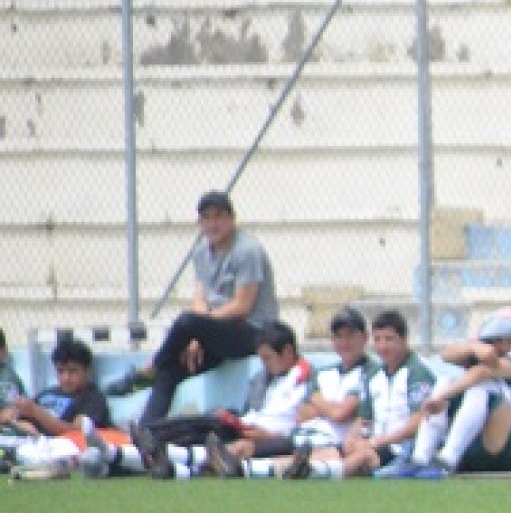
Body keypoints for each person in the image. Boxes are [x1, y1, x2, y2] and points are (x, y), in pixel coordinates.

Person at [112, 190, 280, 427]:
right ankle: (148, 430)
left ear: (232, 218)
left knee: (186, 321)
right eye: (207, 218)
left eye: (219, 216)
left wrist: (198, 329)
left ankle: (149, 368)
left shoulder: (247, 250)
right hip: (216, 331)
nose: (213, 224)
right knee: (170, 370)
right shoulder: (201, 250)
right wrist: (196, 336)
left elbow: (242, 306)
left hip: (251, 331)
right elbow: (199, 298)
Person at [377, 308, 511, 479]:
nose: (503, 346)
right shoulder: (487, 354)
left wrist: (439, 398)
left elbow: (482, 372)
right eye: (498, 340)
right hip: (492, 445)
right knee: (446, 381)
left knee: (477, 390)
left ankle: (447, 460)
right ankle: (420, 458)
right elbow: (447, 355)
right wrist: (473, 347)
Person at [131, 321, 310, 480]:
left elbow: (288, 430)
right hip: (246, 427)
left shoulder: (305, 379)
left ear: (287, 352)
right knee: (205, 423)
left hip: (262, 435)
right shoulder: (263, 378)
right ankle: (153, 444)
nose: (264, 364)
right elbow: (251, 412)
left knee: (208, 427)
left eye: (267, 358)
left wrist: (247, 429)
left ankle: (153, 442)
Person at [208, 308, 373, 478]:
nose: (344, 342)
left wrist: (320, 404)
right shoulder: (324, 372)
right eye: (338, 336)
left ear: (364, 337)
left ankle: (237, 469)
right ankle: (197, 463)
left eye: (350, 336)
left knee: (269, 454)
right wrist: (330, 408)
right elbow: (303, 413)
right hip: (302, 435)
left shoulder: (370, 372)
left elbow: (339, 414)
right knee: (242, 447)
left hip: (328, 440)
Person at [277, 310, 436, 479]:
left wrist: (375, 442)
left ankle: (312, 473)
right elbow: (364, 419)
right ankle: (265, 469)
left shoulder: (417, 373)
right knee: (330, 452)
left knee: (363, 457)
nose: (382, 346)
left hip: (402, 449)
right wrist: (352, 440)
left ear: (404, 340)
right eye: (378, 340)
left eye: (389, 339)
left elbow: (418, 422)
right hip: (377, 445)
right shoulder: (376, 377)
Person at [0, 339, 127, 479]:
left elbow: (76, 432)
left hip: (64, 448)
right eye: (60, 371)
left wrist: (36, 412)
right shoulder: (46, 394)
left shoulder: (93, 398)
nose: (66, 378)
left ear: (88, 371)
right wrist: (15, 420)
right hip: (33, 441)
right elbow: (14, 415)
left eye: (72, 371)